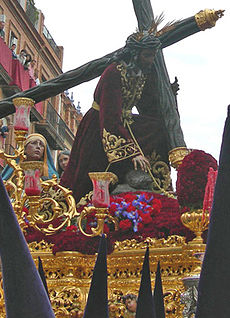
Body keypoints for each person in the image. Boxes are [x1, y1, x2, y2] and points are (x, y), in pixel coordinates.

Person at [60, 30, 171, 200]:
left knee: (158, 129)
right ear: (135, 54)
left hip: (125, 121)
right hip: (100, 124)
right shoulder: (114, 72)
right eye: (148, 56)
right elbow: (110, 117)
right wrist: (134, 152)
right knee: (85, 180)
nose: (151, 61)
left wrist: (170, 95)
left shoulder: (141, 72)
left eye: (153, 56)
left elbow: (148, 105)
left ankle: (158, 183)